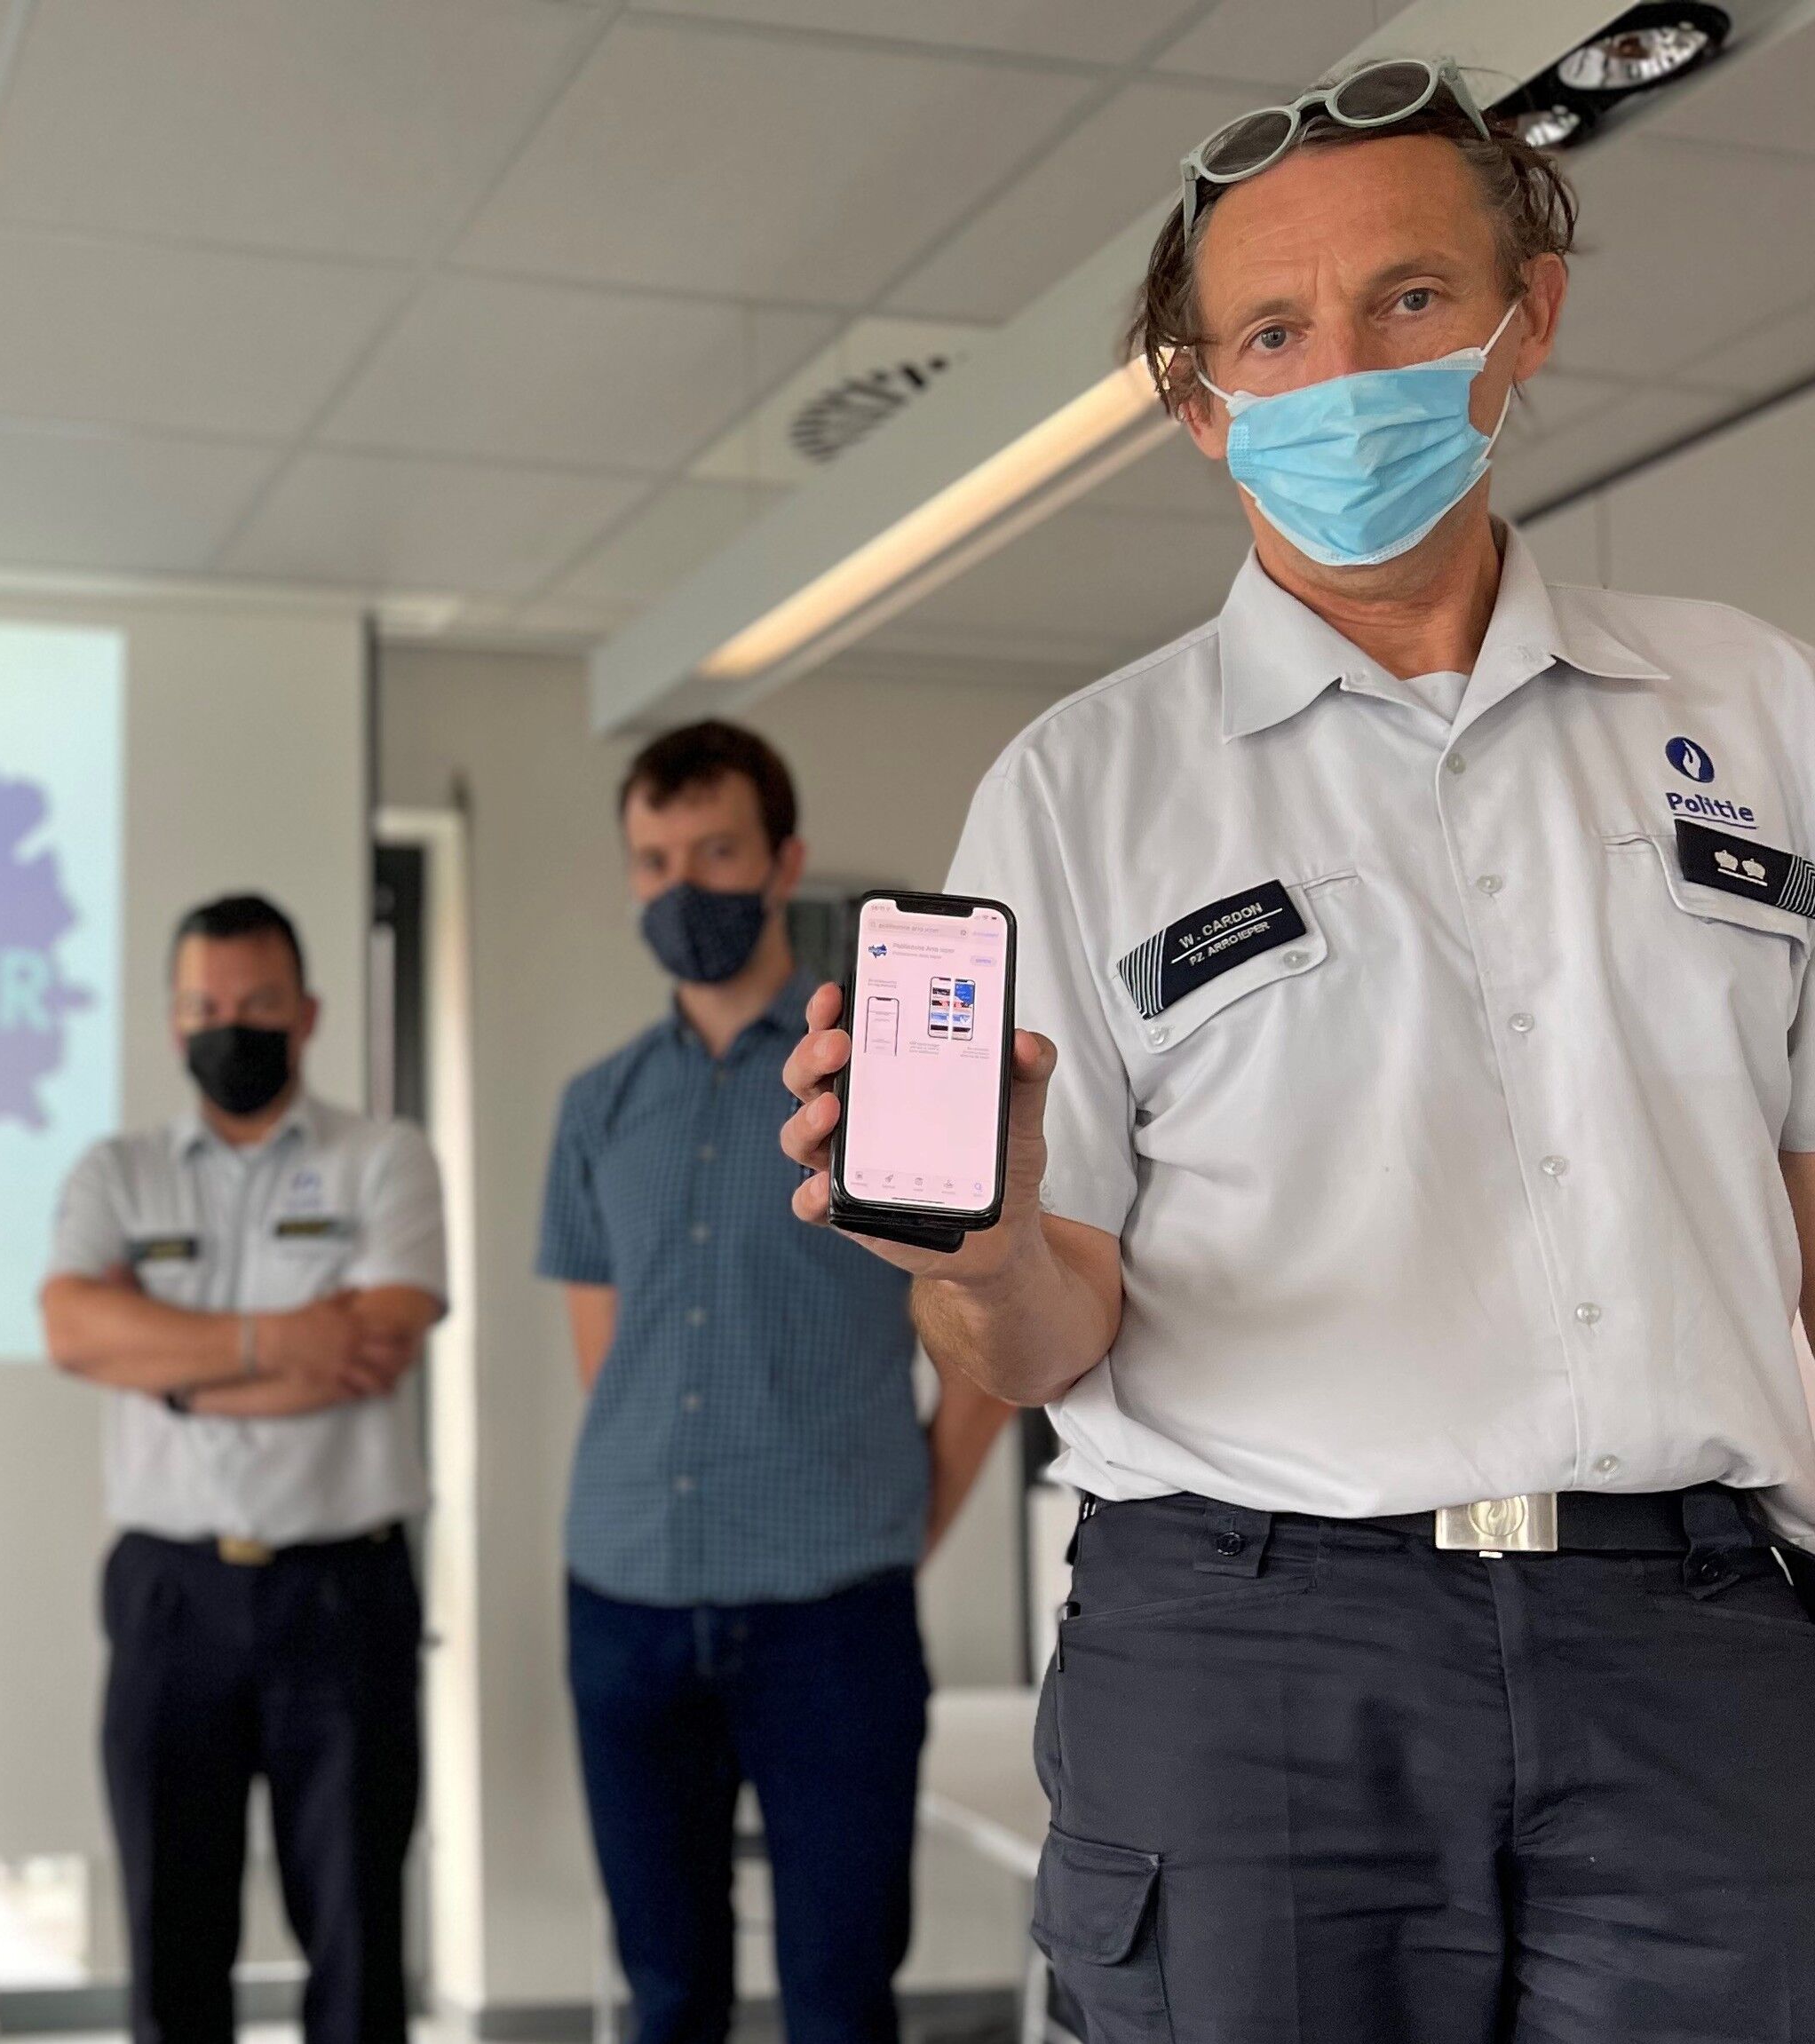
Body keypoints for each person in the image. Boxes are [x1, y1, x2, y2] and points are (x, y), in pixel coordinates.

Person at [777, 57, 1815, 2036]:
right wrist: (982, 1251)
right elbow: (1035, 1340)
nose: (1342, 372)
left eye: (1410, 299)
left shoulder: (1761, 711)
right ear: (1202, 400)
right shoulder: (1083, 788)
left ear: (1527, 316)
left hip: (1691, 1637)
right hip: (1255, 1647)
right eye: (1272, 331)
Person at [543, 721, 1011, 2044]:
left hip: (831, 1617)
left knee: (839, 2000)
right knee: (667, 1995)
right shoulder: (597, 1104)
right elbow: (604, 1359)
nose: (682, 884)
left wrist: (904, 1527)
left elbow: (983, 1344)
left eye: (716, 851)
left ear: (783, 862)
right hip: (624, 1600)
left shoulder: (879, 1078)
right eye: (655, 860)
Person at [41, 894, 447, 2044]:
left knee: (358, 1945)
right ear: (174, 1022)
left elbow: (373, 1349)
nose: (231, 1026)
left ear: (307, 1013)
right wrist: (279, 1341)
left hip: (344, 1594)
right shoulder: (116, 1173)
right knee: (172, 1949)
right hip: (170, 1595)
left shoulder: (385, 1159)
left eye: (258, 1002)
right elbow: (71, 1329)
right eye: (205, 1006)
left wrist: (166, 1362)